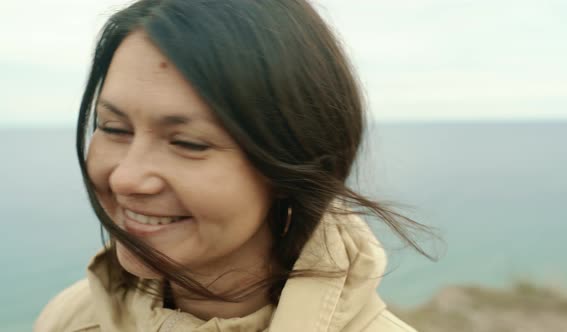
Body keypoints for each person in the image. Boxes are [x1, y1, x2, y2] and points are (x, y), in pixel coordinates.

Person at [35, 0, 433, 331]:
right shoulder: (72, 317)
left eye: (187, 143)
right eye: (114, 128)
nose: (125, 177)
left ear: (292, 159)